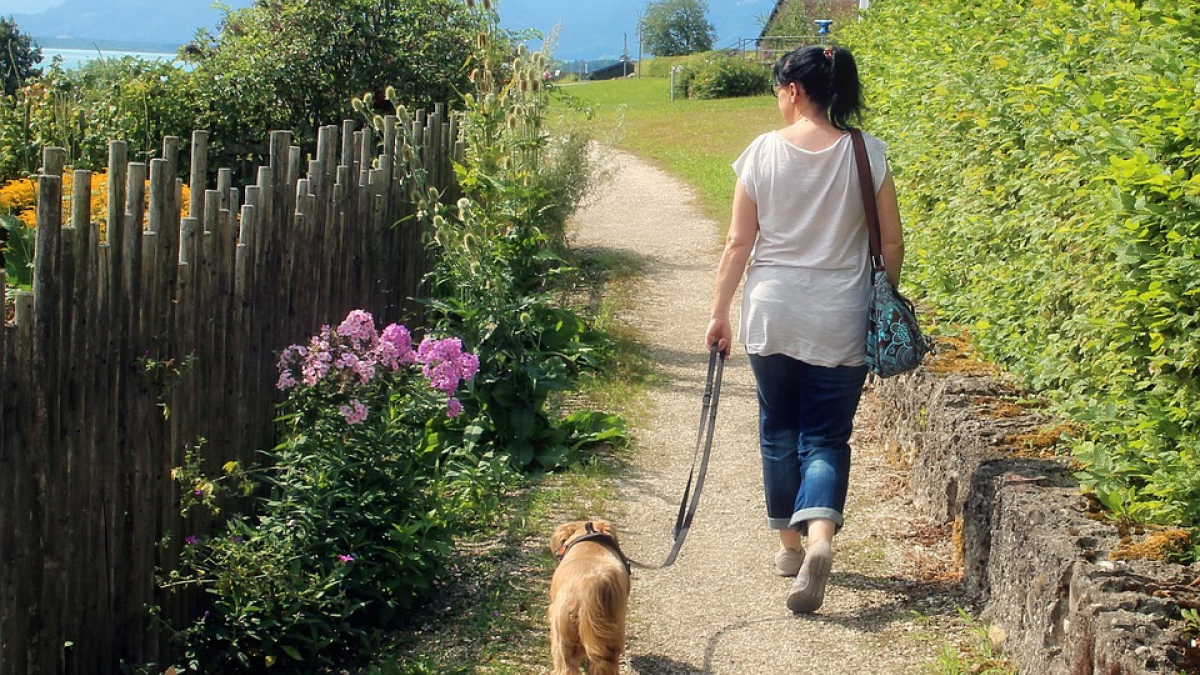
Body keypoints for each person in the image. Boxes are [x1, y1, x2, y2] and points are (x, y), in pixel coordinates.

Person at [704, 45, 904, 614]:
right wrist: (877, 300)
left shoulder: (763, 152)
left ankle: (790, 548)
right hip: (840, 314)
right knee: (825, 435)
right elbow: (891, 242)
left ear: (793, 90)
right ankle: (820, 537)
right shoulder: (868, 152)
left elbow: (739, 242)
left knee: (778, 429)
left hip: (773, 311)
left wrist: (719, 311)